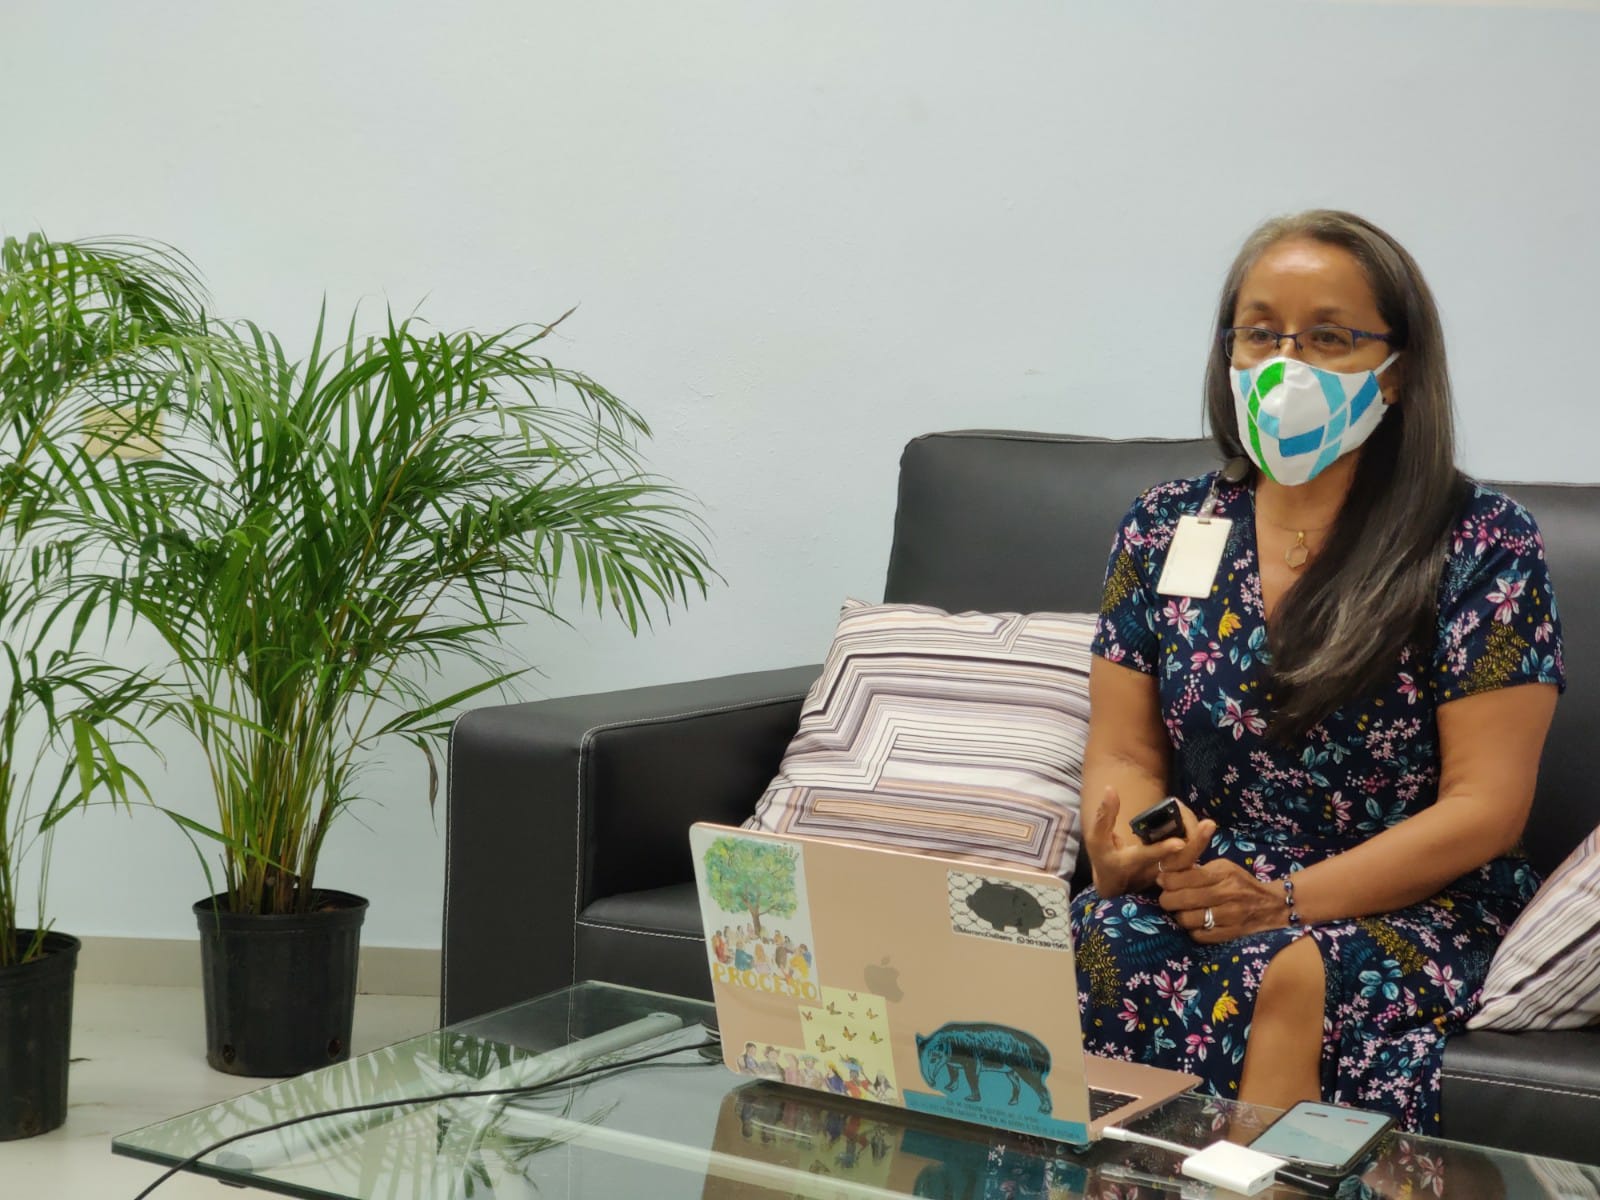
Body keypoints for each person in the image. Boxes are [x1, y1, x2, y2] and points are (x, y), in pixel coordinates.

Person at [1070, 209, 1563, 1133]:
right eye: (1260, 333)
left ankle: (1264, 1186)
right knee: (1103, 932)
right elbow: (1127, 752)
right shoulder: (1164, 525)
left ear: (1398, 368)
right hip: (1217, 884)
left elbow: (1486, 807)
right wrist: (1133, 849)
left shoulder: (1482, 541)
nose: (1285, 365)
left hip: (1410, 897)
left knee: (1289, 970)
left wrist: (1285, 904)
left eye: (1329, 338)